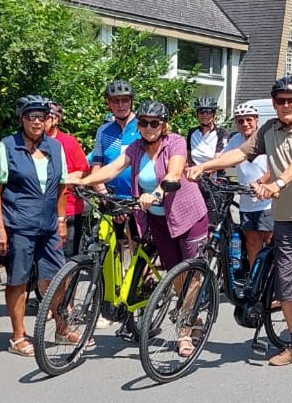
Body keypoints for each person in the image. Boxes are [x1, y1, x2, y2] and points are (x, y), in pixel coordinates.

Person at [188, 76, 292, 373]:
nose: (286, 105)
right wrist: (206, 165)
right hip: (285, 217)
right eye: (281, 101)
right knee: (284, 281)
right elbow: (240, 153)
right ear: (273, 103)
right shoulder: (269, 129)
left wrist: (277, 183)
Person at [74, 100, 209, 349]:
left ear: (163, 125)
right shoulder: (136, 147)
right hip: (158, 218)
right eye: (144, 122)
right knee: (175, 272)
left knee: (192, 273)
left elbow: (174, 172)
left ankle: (184, 331)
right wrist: (85, 182)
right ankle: (190, 314)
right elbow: (113, 168)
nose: (148, 127)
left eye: (154, 123)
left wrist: (157, 193)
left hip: (188, 214)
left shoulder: (175, 142)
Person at [0, 96, 68, 357]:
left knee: (59, 276)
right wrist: (1, 228)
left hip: (49, 224)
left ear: (48, 120)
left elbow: (61, 186)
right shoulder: (8, 145)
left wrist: (61, 221)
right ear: (21, 120)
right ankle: (17, 336)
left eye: (41, 117)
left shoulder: (55, 146)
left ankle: (61, 326)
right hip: (19, 225)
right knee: (18, 280)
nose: (37, 122)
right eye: (31, 117)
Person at [223, 101, 272, 267]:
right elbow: (222, 159)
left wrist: (260, 182)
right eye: (240, 121)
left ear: (257, 120)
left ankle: (273, 284)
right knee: (252, 244)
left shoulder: (266, 138)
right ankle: (254, 283)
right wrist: (204, 170)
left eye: (248, 119)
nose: (245, 124)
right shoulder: (235, 140)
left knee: (271, 242)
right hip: (246, 203)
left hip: (267, 202)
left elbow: (277, 168)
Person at [45, 100, 89, 258]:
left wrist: (63, 179)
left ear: (56, 119)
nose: (40, 121)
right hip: (39, 210)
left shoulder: (69, 142)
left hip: (69, 209)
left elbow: (84, 171)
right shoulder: (30, 142)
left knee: (66, 260)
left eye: (45, 117)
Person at [92, 80, 139, 197]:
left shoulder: (143, 127)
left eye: (125, 100)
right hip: (112, 199)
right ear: (109, 103)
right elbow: (97, 165)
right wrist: (105, 195)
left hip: (139, 200)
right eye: (115, 100)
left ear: (131, 102)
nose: (120, 105)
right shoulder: (103, 131)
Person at [186, 96, 229, 166]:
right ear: (197, 114)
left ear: (214, 114)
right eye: (201, 112)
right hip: (194, 173)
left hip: (214, 173)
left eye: (209, 112)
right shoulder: (192, 132)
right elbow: (188, 154)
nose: (205, 115)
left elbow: (218, 158)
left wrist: (204, 172)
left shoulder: (221, 133)